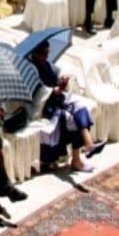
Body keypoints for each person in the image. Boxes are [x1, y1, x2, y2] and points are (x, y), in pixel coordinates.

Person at [29, 42, 106, 173]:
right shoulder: (32, 70)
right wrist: (55, 91)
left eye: (48, 53)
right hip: (45, 106)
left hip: (58, 100)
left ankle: (88, 145)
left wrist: (61, 82)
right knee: (70, 118)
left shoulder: (46, 65)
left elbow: (55, 79)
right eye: (43, 54)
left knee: (81, 107)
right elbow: (38, 92)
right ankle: (77, 159)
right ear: (35, 54)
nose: (46, 56)